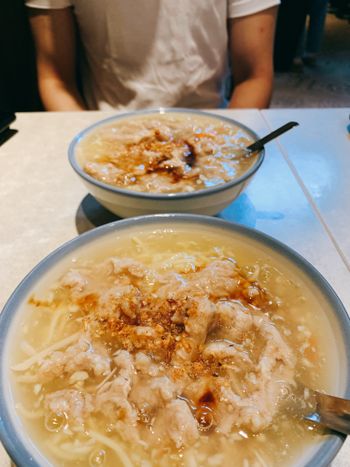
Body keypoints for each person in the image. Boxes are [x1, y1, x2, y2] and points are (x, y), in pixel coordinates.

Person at [25, 1, 279, 111]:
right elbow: (55, 79)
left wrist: (227, 149)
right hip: (103, 129)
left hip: (212, 127)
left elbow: (254, 76)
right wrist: (89, 148)